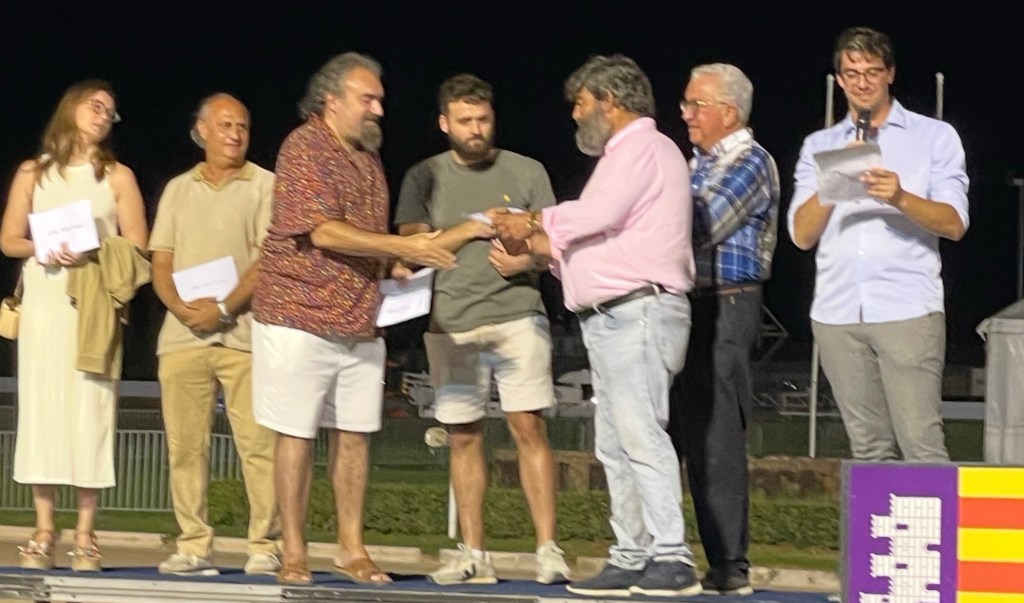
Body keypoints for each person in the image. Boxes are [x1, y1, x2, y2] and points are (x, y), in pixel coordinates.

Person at [494, 54, 701, 598]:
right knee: (615, 444)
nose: (575, 114)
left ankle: (672, 556)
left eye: (581, 103)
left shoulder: (643, 147)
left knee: (639, 434)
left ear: (609, 101)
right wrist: (537, 251)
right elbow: (602, 241)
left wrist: (532, 220)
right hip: (614, 317)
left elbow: (596, 216)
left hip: (637, 313)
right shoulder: (628, 155)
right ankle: (632, 555)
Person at [250, 52, 456, 586]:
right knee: (296, 435)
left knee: (356, 434)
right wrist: (400, 245)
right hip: (297, 314)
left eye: (379, 99)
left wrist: (393, 264)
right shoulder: (304, 146)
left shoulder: (367, 156)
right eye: (368, 98)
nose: (378, 109)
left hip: (361, 318)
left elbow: (366, 237)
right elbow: (322, 231)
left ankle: (350, 548)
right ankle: (294, 551)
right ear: (331, 100)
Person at [394, 73, 570, 586]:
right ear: (444, 122)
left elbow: (554, 243)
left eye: (483, 119)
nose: (475, 129)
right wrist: (472, 226)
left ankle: (548, 550)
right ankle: (473, 554)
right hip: (451, 323)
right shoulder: (423, 176)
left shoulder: (528, 171)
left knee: (528, 428)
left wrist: (527, 262)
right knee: (463, 436)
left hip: (519, 314)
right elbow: (413, 248)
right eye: (465, 120)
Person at [788, 26, 969, 462]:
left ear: (890, 73)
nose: (862, 82)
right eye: (852, 74)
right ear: (839, 79)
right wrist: (838, 175)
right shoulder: (820, 145)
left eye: (871, 71)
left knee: (921, 445)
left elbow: (955, 223)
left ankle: (933, 511)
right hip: (836, 312)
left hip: (907, 308)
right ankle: (879, 512)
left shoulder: (933, 137)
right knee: (868, 449)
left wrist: (900, 197)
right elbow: (801, 234)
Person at [0, 79, 149, 571]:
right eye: (96, 105)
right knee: (41, 409)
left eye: (111, 111)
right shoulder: (33, 172)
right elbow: (9, 240)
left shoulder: (119, 177)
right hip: (45, 305)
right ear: (71, 108)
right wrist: (44, 247)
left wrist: (94, 248)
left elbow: (139, 248)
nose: (104, 115)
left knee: (92, 410)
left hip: (94, 307)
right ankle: (44, 528)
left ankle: (86, 534)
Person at [150, 93, 281, 576]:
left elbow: (268, 260)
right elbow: (160, 259)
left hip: (244, 336)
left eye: (242, 126)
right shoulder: (178, 189)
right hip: (182, 339)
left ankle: (265, 545)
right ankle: (193, 545)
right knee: (185, 448)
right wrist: (181, 309)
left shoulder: (265, 184)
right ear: (201, 130)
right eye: (225, 125)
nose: (235, 134)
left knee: (260, 446)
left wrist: (223, 308)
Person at [668, 63, 780, 597]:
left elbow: (699, 226)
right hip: (685, 304)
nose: (686, 113)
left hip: (727, 305)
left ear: (729, 112)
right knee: (677, 433)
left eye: (696, 104)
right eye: (686, 103)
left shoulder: (750, 162)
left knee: (716, 436)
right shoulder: (695, 164)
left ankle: (730, 563)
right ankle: (676, 556)